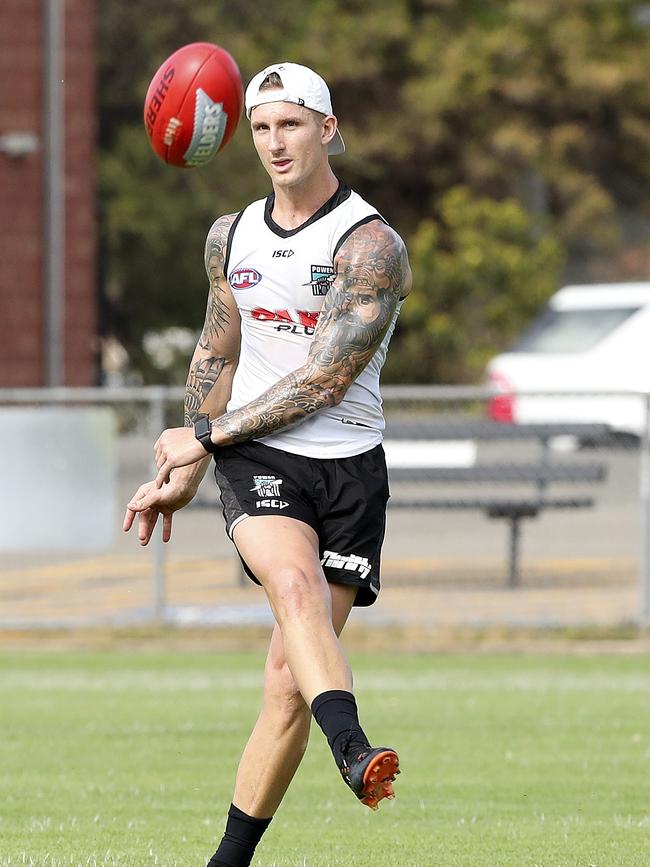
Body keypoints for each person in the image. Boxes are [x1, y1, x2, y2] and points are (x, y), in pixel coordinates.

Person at [123, 61, 412, 867]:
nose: (274, 142)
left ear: (327, 128)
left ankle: (228, 862)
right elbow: (217, 349)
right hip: (259, 458)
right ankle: (353, 748)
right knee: (295, 589)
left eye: (290, 124)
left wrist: (202, 441)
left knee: (289, 681)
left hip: (351, 469)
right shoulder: (230, 235)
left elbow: (325, 379)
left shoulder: (372, 245)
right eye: (259, 127)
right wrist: (191, 458)